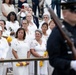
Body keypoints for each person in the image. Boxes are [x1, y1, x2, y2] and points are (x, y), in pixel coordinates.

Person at [47, 0, 76, 75]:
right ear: (64, 13)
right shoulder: (57, 33)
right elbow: (53, 59)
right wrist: (70, 64)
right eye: (74, 9)